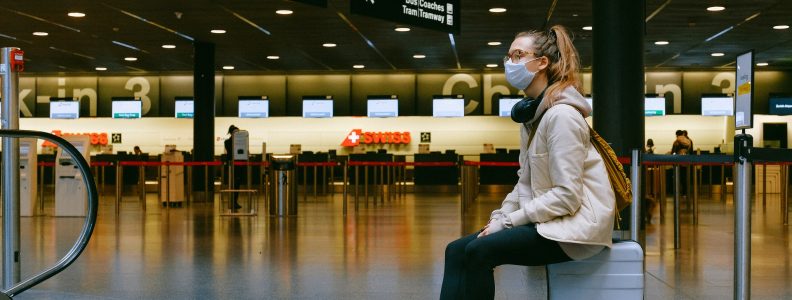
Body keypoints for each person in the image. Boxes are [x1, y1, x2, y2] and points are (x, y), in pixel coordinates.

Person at [440, 25, 616, 300]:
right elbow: (525, 182)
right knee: (456, 250)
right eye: (508, 57)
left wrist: (509, 223)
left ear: (542, 62)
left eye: (518, 55)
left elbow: (567, 196)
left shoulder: (562, 117)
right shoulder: (533, 118)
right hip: (550, 222)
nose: (511, 63)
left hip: (575, 230)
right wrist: (499, 217)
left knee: (478, 251)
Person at [224, 125, 243, 210]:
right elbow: (231, 151)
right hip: (231, 166)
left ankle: (235, 201)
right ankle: (232, 201)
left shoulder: (241, 142)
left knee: (237, 184)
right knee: (232, 184)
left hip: (238, 165)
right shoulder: (227, 142)